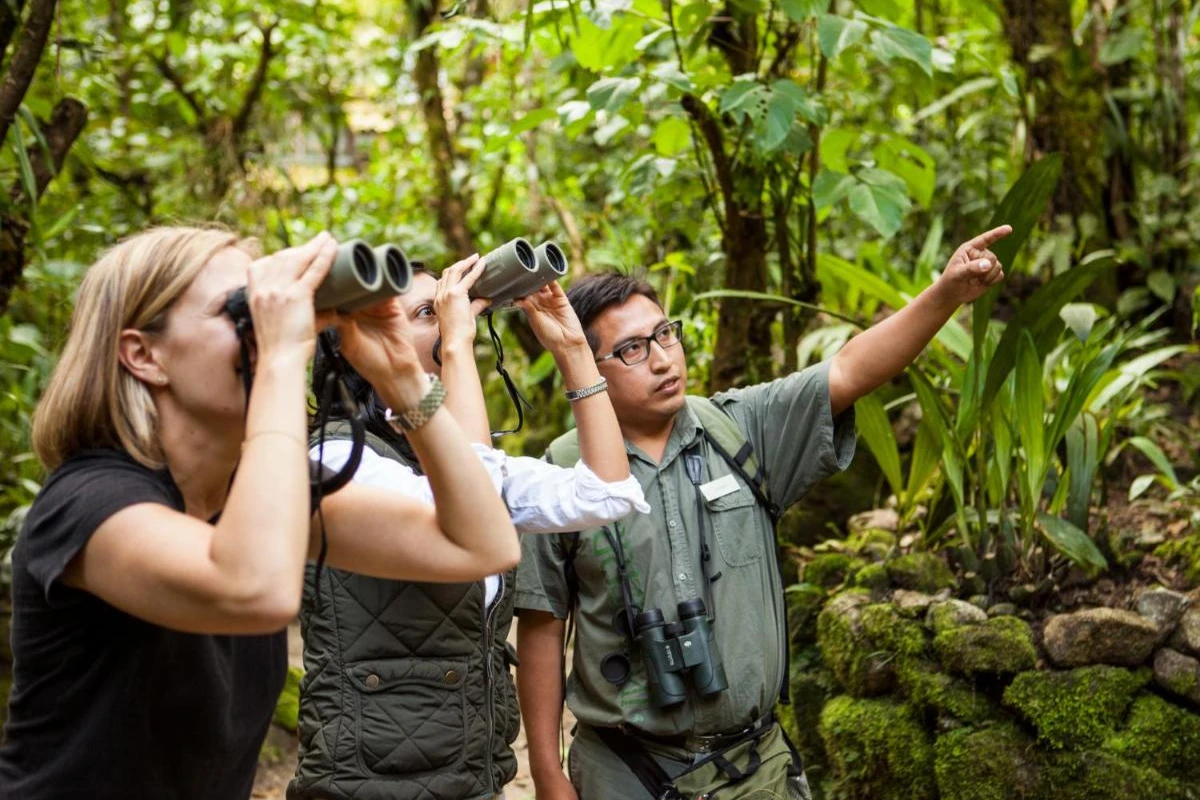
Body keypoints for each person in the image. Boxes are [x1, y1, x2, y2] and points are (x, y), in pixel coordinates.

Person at [0, 227, 521, 800]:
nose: (273, 326)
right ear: (144, 355)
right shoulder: (88, 503)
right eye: (243, 311)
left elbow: (483, 545)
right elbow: (255, 589)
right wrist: (279, 357)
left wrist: (402, 380)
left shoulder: (253, 496)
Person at [515, 226, 1012, 800]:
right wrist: (548, 772)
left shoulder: (742, 427)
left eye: (665, 335)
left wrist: (946, 293)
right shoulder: (563, 474)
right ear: (590, 365)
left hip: (756, 768)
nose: (662, 360)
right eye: (632, 349)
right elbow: (542, 624)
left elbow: (850, 369)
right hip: (624, 770)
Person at [289, 254, 649, 800]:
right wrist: (457, 345)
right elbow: (468, 509)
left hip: (471, 778)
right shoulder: (336, 459)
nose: (449, 320)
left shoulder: (460, 462)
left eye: (447, 308)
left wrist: (573, 350)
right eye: (427, 312)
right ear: (362, 344)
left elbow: (606, 494)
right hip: (369, 784)